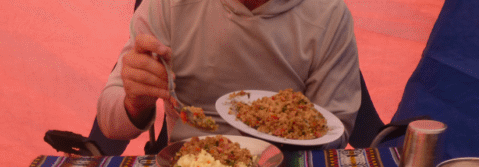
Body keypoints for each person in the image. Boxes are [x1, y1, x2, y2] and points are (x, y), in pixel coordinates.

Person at [96, 0, 361, 147]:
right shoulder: (167, 6)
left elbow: (335, 130)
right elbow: (110, 124)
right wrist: (135, 102)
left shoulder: (328, 15)